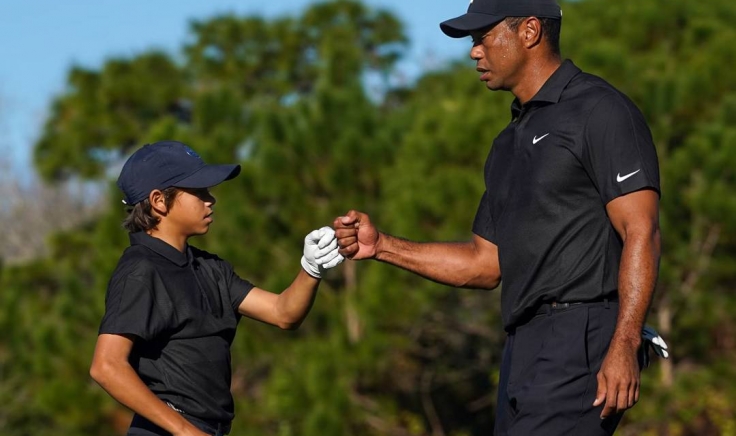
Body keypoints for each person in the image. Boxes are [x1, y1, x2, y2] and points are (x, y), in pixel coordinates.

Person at [333, 0, 660, 434]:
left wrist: (625, 341)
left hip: (582, 337)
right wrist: (383, 247)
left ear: (529, 31)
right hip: (521, 348)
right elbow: (484, 264)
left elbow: (643, 230)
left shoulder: (599, 109)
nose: (474, 52)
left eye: (482, 37)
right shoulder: (507, 144)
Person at [90, 140, 343, 436]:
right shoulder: (140, 270)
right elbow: (106, 366)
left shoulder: (209, 268)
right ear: (159, 201)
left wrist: (310, 268)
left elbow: (283, 313)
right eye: (198, 191)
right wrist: (185, 431)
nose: (211, 200)